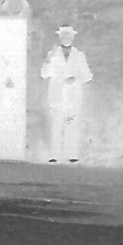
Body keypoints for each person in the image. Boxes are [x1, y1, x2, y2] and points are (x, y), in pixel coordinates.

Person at [39, 24, 92, 162]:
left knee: (71, 125)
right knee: (56, 126)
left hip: (72, 98)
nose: (66, 38)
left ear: (73, 37)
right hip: (56, 97)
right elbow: (44, 74)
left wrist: (75, 79)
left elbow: (87, 76)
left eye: (68, 35)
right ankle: (54, 155)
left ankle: (72, 155)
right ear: (59, 37)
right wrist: (48, 61)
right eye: (63, 36)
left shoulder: (79, 56)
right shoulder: (53, 54)